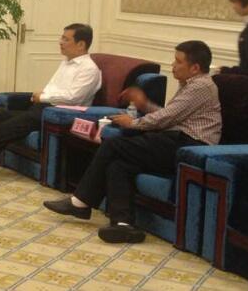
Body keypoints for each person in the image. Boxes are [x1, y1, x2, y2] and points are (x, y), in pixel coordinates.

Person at [43, 40, 221, 244]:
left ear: (195, 68)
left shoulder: (201, 86)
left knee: (113, 145)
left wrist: (133, 123)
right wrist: (144, 104)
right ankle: (123, 224)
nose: (173, 65)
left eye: (178, 61)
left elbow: (166, 118)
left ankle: (81, 202)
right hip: (176, 140)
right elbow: (171, 116)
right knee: (119, 164)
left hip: (190, 147)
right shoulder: (191, 84)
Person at [0, 23, 102, 177]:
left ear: (81, 44)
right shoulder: (66, 63)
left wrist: (42, 96)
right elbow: (54, 89)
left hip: (59, 114)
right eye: (62, 38)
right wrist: (39, 96)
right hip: (42, 108)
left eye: (66, 39)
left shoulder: (89, 69)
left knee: (5, 128)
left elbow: (74, 97)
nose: (60, 42)